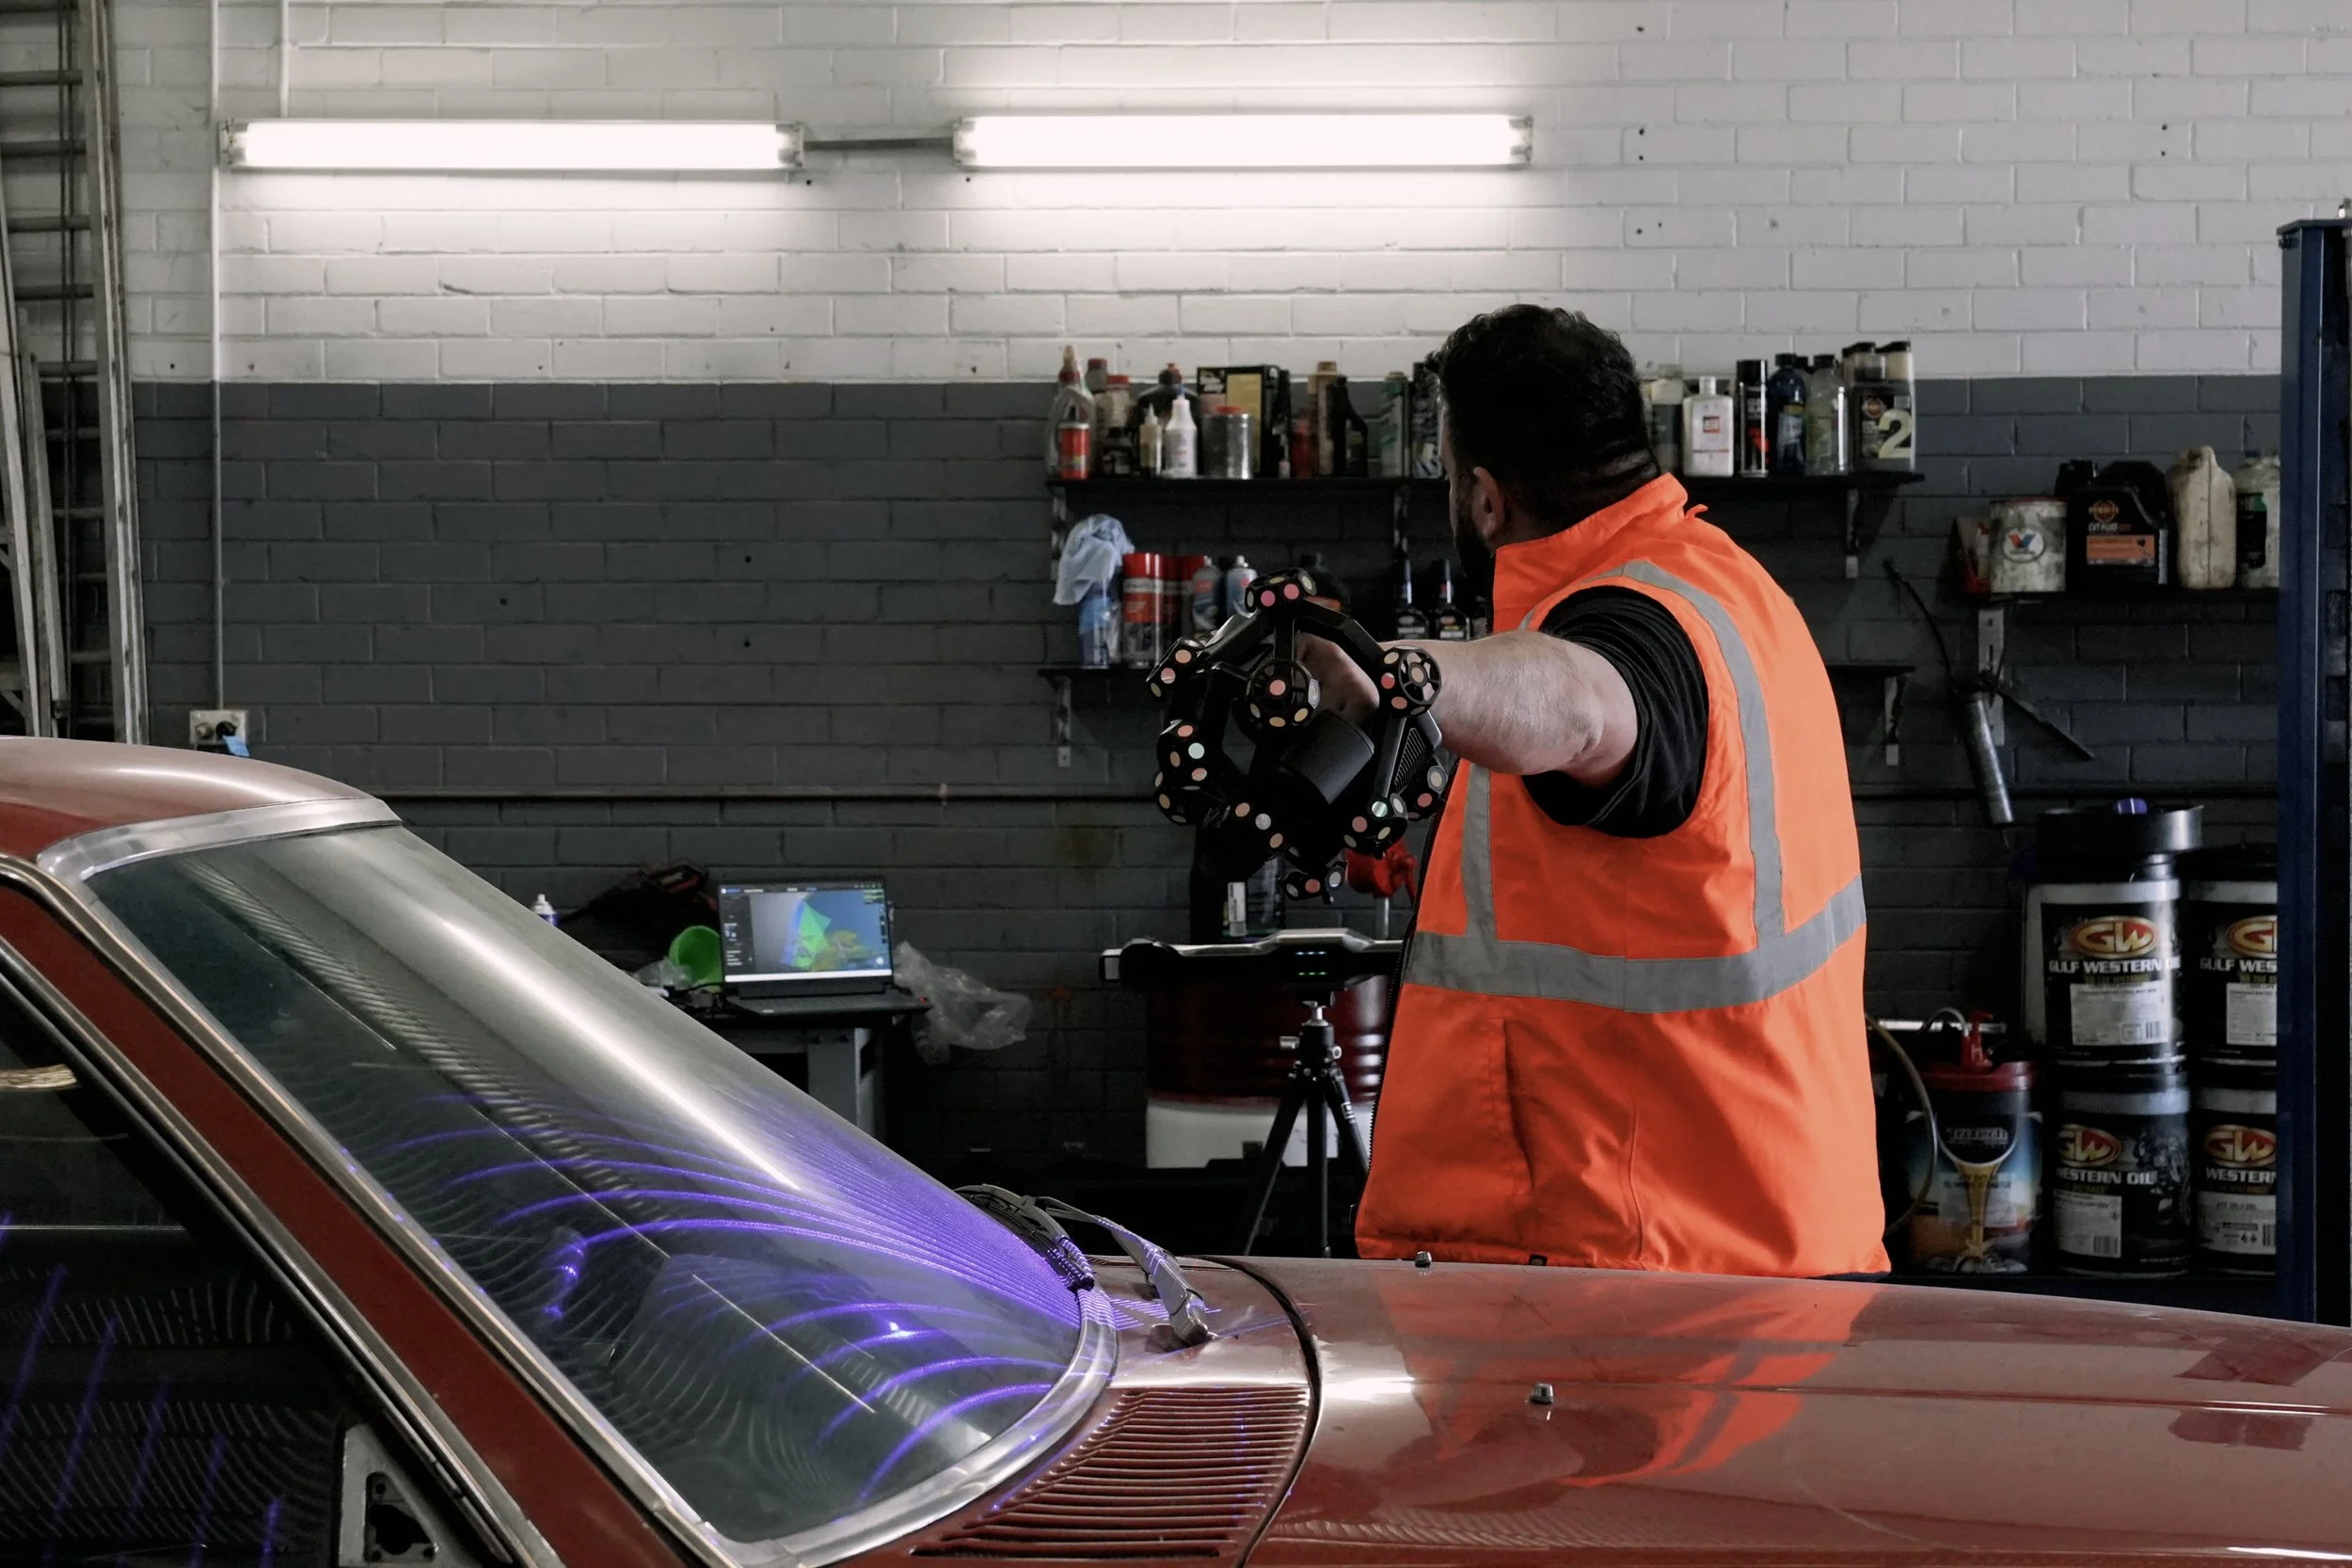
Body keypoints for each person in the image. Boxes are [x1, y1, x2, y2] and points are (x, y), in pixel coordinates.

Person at [1310, 306, 1885, 1278]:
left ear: (1484, 498)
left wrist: (1388, 675)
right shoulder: (1731, 589)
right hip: (1761, 1233)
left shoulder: (1634, 622)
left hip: (1636, 1276)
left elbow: (1582, 704)